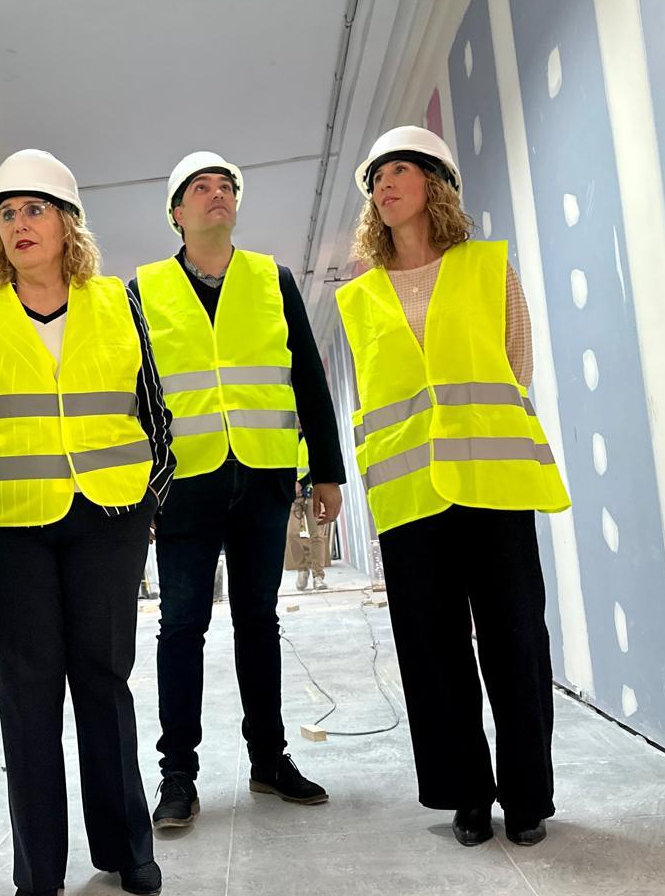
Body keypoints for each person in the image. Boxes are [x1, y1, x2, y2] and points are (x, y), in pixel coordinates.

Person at [0, 150, 173, 896]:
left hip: (110, 516)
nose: (19, 225)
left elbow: (154, 410)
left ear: (67, 222)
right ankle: (36, 871)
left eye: (35, 210)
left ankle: (128, 850)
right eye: (7, 213)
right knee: (29, 693)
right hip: (5, 525)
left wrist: (150, 501)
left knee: (103, 681)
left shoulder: (119, 302)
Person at [335, 126, 570, 848]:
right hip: (409, 499)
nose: (385, 185)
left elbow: (516, 363)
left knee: (515, 640)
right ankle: (467, 795)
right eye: (376, 178)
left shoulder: (486, 266)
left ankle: (527, 795)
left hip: (492, 482)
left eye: (400, 170)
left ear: (435, 184)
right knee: (432, 651)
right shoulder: (358, 297)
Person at [133, 152, 346, 831]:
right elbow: (132, 398)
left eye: (227, 186)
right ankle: (177, 777)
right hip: (184, 488)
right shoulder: (142, 290)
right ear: (177, 212)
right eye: (201, 187)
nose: (217, 194)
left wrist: (328, 473)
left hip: (261, 477)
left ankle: (269, 760)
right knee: (181, 628)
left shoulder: (271, 279)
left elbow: (308, 378)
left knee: (259, 621)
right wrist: (138, 490)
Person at [288, 434, 329, 591]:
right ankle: (302, 569)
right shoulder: (285, 436)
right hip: (292, 495)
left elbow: (318, 462)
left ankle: (318, 575)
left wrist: (301, 483)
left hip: (311, 492)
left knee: (316, 535)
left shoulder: (312, 436)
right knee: (291, 534)